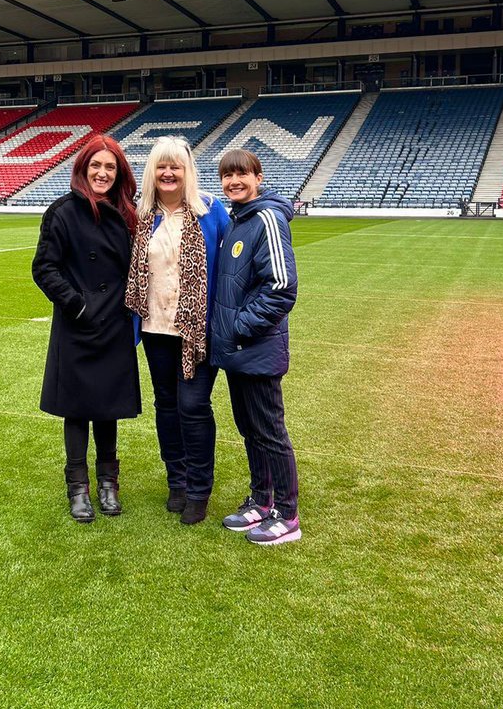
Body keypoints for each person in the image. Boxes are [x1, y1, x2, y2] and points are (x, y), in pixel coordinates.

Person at [32, 135, 141, 523]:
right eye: (96, 165)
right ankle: (77, 487)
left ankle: (109, 483)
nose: (102, 173)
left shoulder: (128, 213)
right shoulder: (62, 212)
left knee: (107, 407)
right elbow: (44, 268)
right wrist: (77, 304)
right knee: (76, 410)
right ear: (83, 168)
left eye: (110, 167)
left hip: (114, 324)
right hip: (78, 326)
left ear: (119, 173)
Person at [124, 136, 230, 525]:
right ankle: (177, 480)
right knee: (166, 405)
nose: (168, 173)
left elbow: (229, 270)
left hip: (198, 331)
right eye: (162, 166)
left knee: (193, 405)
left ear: (188, 172)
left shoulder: (211, 212)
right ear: (152, 171)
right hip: (154, 328)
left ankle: (200, 488)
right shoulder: (140, 216)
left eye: (176, 166)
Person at [211, 148, 301, 546]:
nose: (234, 182)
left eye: (242, 175)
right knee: (250, 429)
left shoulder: (267, 217)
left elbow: (281, 287)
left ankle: (287, 513)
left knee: (269, 430)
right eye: (228, 176)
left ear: (258, 177)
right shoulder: (237, 220)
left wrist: (239, 328)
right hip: (237, 349)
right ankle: (261, 501)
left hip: (257, 347)